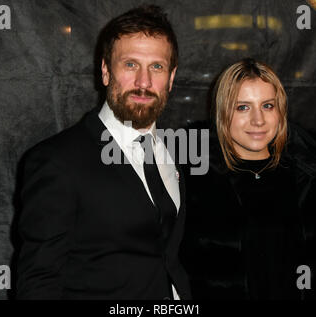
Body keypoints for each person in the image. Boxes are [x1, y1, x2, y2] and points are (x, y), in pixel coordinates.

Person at [15, 5, 191, 300]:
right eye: (131, 65)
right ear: (106, 71)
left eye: (156, 67)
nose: (144, 82)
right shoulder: (56, 161)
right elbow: (39, 283)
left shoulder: (177, 150)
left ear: (171, 78)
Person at [180, 58, 316, 299]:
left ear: (281, 110)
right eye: (243, 107)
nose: (258, 120)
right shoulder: (191, 177)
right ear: (222, 113)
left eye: (267, 106)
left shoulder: (312, 174)